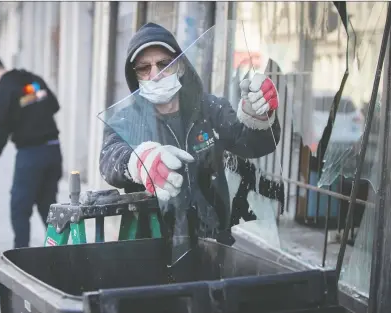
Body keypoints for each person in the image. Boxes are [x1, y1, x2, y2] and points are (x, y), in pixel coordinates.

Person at [99, 23, 281, 242]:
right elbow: (110, 158)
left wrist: (258, 116)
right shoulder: (126, 120)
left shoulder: (211, 109)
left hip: (213, 243)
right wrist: (141, 161)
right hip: (152, 245)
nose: (155, 75)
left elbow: (252, 144)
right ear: (135, 76)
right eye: (144, 68)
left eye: (165, 64)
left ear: (181, 67)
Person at [0, 56, 63, 248]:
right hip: (53, 151)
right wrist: (31, 101)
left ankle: (21, 256)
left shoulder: (3, 91)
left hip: (31, 155)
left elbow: (1, 130)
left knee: (20, 207)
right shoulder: (32, 80)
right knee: (47, 204)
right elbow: (54, 105)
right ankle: (61, 251)